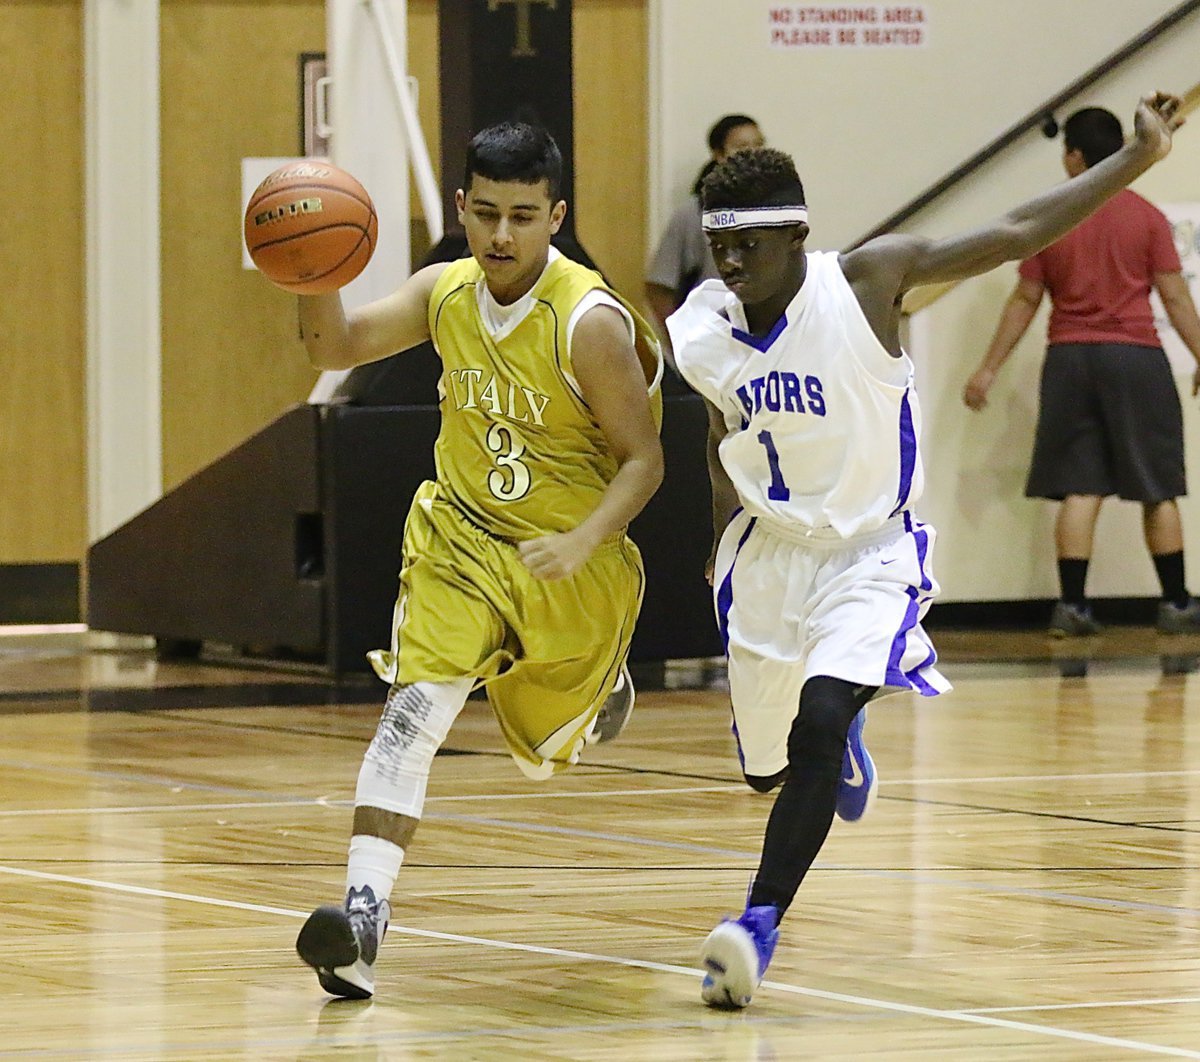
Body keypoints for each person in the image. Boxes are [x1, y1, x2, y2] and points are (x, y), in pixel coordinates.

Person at [667, 93, 1184, 1009]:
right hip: (768, 555)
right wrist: (718, 545)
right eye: (722, 247)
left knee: (819, 723)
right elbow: (721, 443)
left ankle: (756, 924)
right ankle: (843, 725)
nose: (734, 262)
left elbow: (1019, 227)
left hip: (869, 552)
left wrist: (1136, 161)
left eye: (751, 244)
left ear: (799, 236)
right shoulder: (707, 328)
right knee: (767, 770)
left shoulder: (869, 281)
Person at [276, 122, 664, 1000]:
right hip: (461, 536)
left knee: (542, 752)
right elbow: (336, 347)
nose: (501, 235)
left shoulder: (588, 322)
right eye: (485, 213)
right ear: (461, 208)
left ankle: (594, 693)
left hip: (567, 559)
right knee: (411, 714)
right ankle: (363, 918)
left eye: (523, 217)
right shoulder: (447, 291)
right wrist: (312, 276)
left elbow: (646, 460)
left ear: (556, 217)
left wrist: (584, 538)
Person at [963, 106, 1200, 637]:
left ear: (1074, 156)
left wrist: (987, 369)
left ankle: (1073, 607)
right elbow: (1176, 297)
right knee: (1157, 486)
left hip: (1070, 358)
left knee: (1081, 485)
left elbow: (1025, 299)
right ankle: (1178, 604)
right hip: (1136, 358)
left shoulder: (1053, 220)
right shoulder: (1146, 216)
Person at [645, 114, 765, 364]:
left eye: (759, 145)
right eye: (742, 147)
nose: (753, 154)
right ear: (719, 155)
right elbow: (658, 289)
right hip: (713, 351)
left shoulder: (774, 212)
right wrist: (682, 344)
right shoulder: (692, 214)